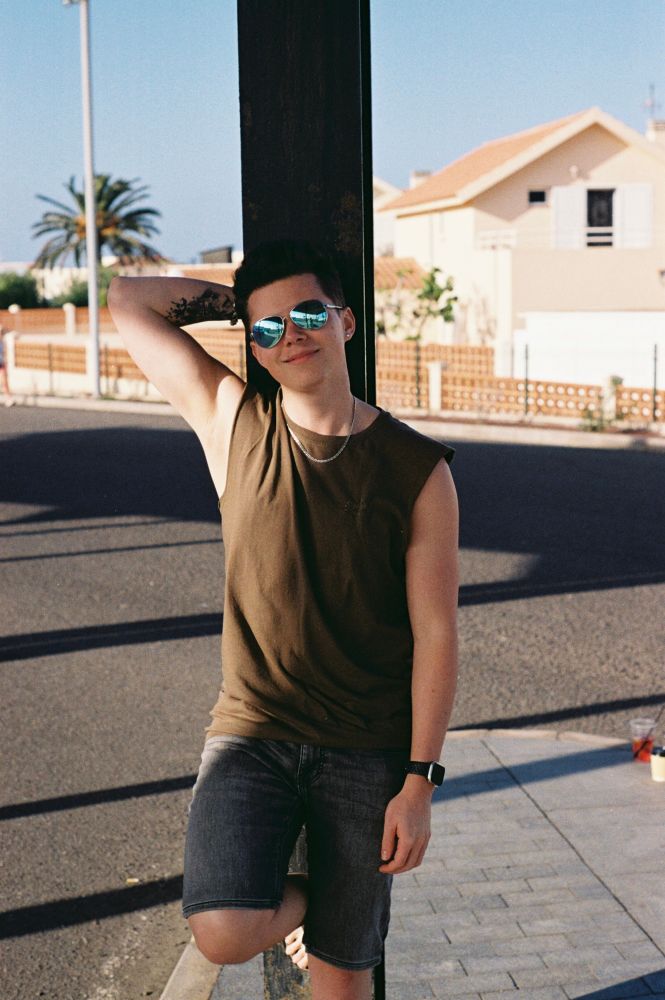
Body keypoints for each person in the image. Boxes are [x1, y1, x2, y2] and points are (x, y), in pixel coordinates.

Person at [108, 240, 459, 1000]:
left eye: (307, 315)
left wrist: (419, 784)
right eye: (267, 329)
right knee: (223, 930)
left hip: (366, 750)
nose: (289, 335)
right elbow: (130, 301)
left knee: (342, 977)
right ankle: (311, 904)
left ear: (347, 322)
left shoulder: (418, 468)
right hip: (253, 735)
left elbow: (436, 634)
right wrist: (240, 305)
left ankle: (330, 922)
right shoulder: (233, 422)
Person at [0, 324, 15, 406]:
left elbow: (4, 353)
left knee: (4, 381)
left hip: (1, 363)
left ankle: (8, 398)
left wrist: (6, 362)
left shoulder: (2, 342)